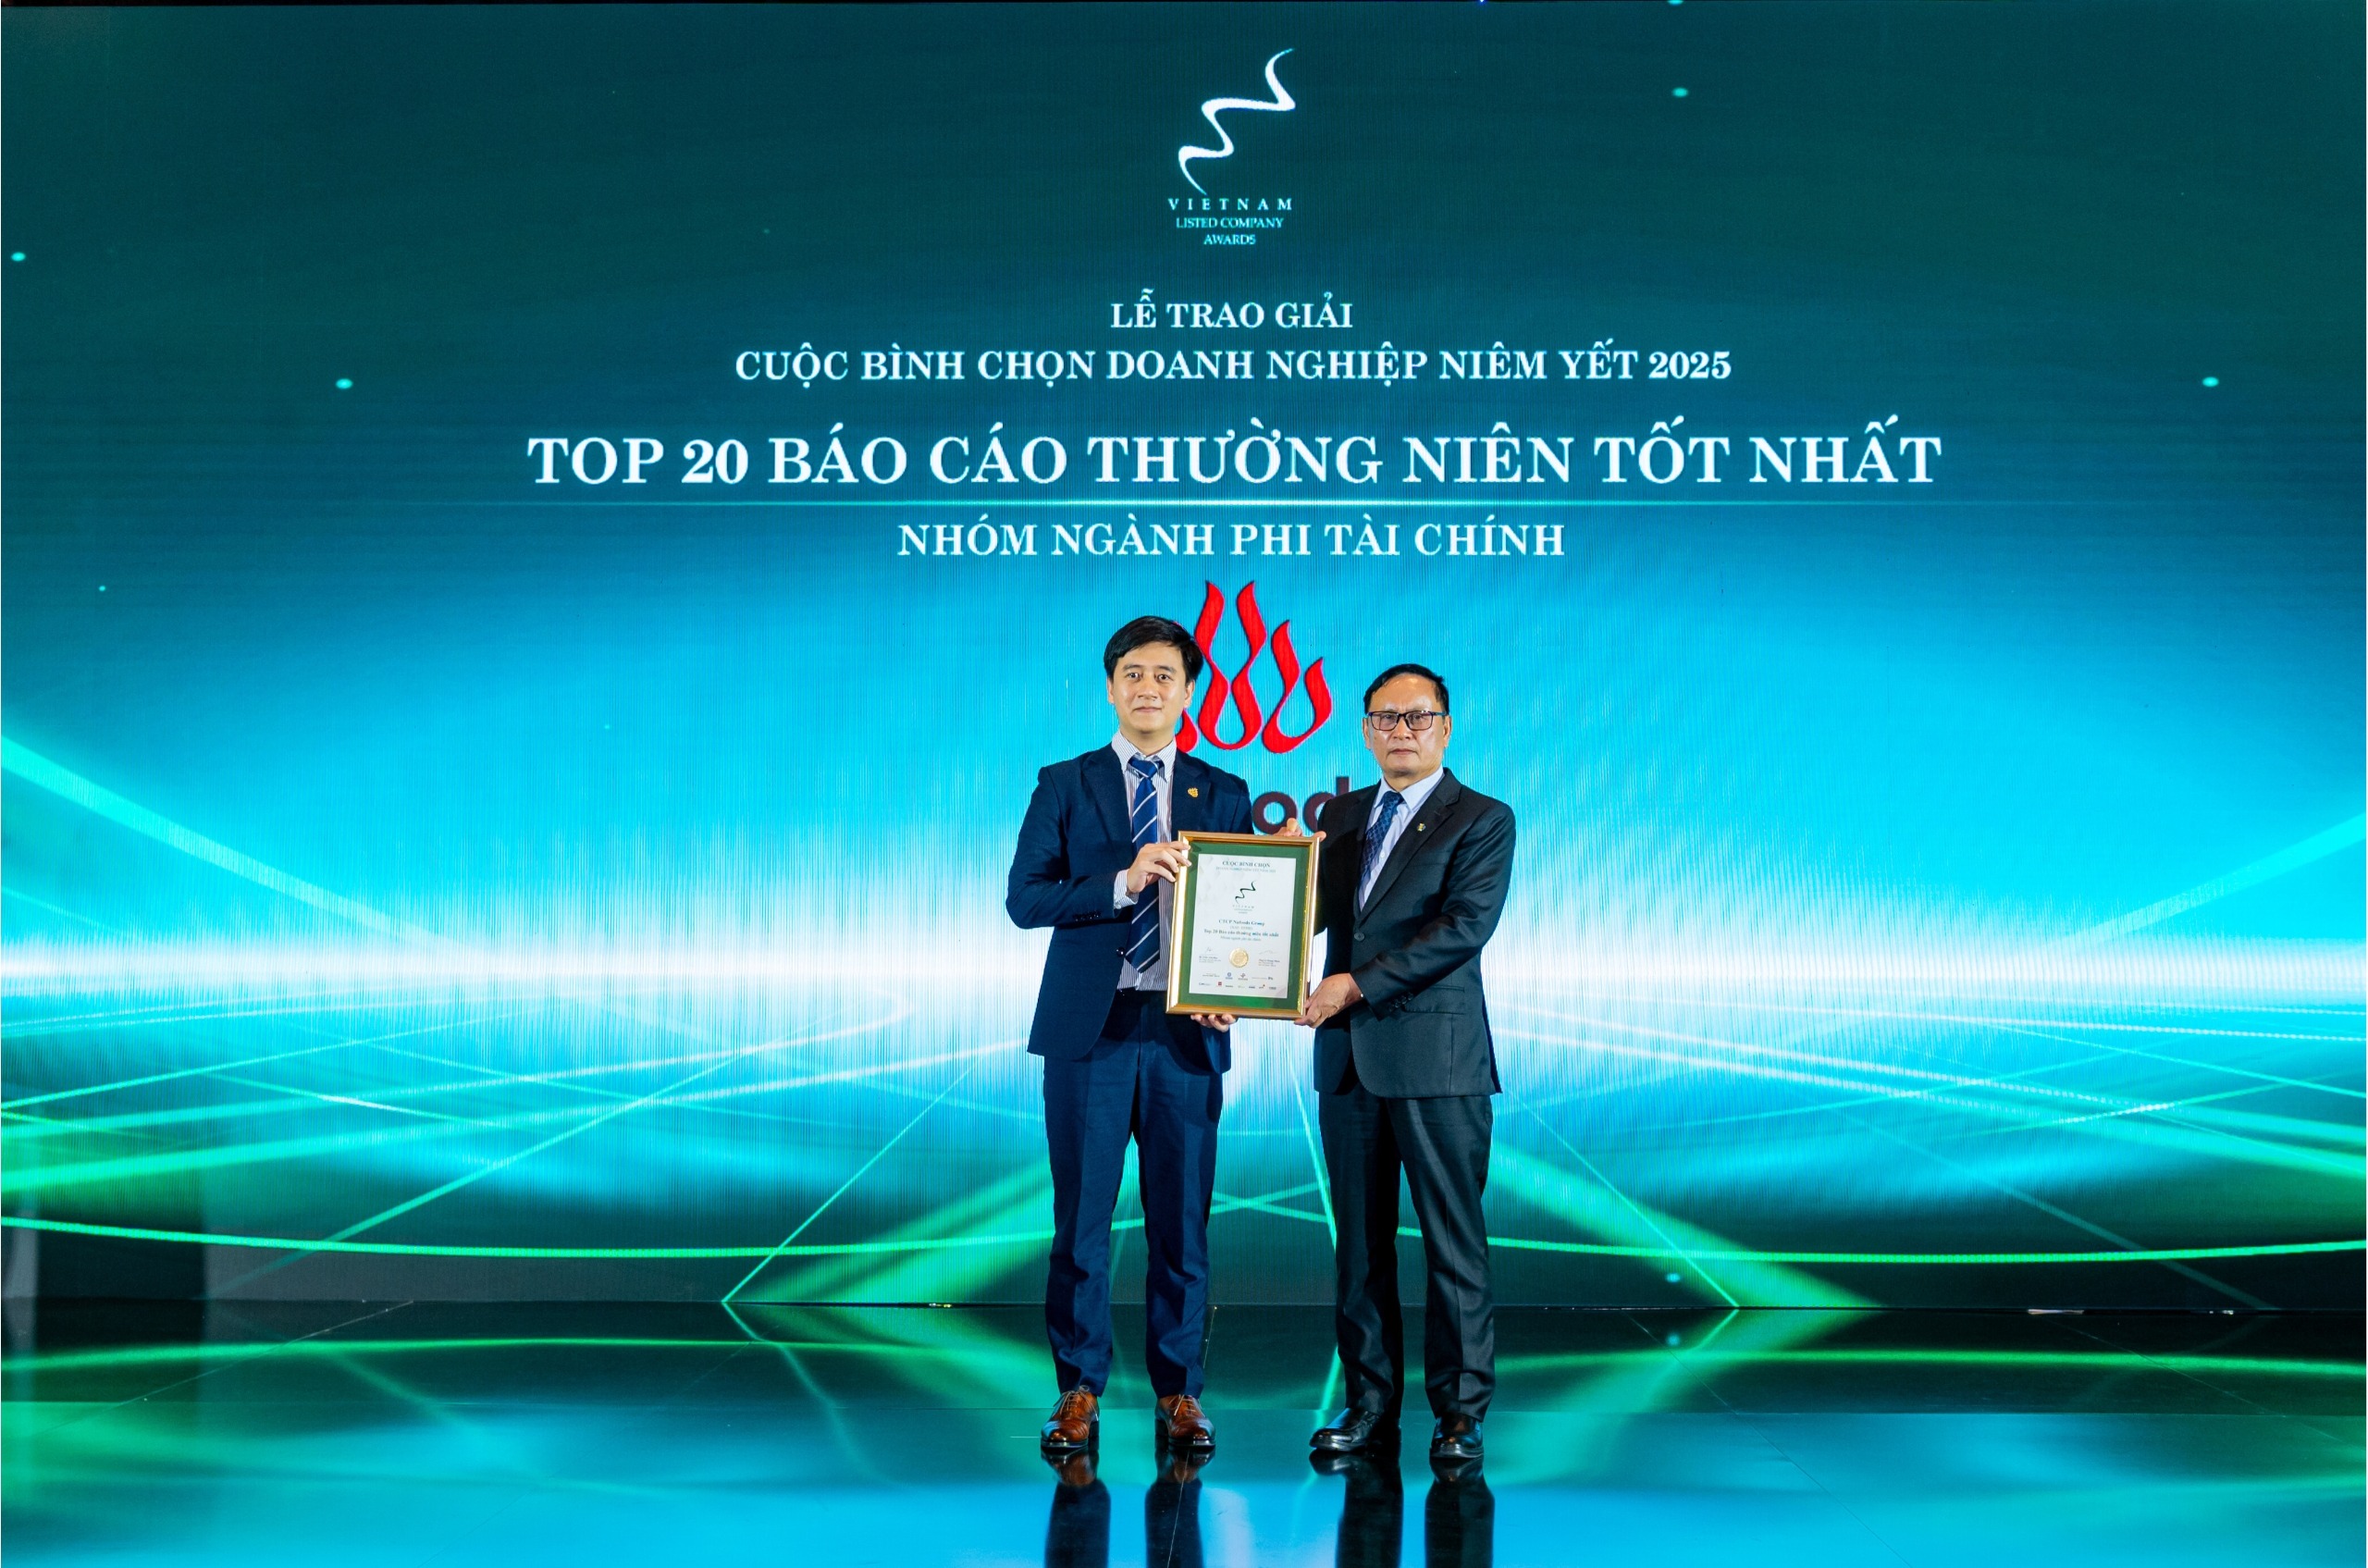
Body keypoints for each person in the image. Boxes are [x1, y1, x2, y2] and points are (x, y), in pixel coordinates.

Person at [1006, 615, 1254, 1457]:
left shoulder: (1224, 790)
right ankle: (1078, 1388)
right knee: (1081, 1220)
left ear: (1191, 692)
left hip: (1186, 1033)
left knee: (1182, 1222)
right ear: (1111, 687)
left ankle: (1180, 1391)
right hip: (1093, 1030)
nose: (1149, 688)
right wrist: (1121, 879)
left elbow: (1242, 910)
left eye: (1165, 675)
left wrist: (1238, 985)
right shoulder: (1064, 783)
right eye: (1134, 674)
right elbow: (1026, 899)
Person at [1297, 662, 1515, 1468]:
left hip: (1438, 1062)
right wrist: (1277, 880)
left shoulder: (1483, 818)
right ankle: (1369, 1404)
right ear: (1365, 730)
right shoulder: (1343, 815)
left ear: (1445, 727)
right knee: (1359, 1247)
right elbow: (1314, 915)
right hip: (1349, 1061)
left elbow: (1463, 927)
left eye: (1417, 716)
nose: (1401, 730)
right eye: (1386, 717)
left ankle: (1460, 1413)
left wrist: (1355, 984)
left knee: (1452, 1245)